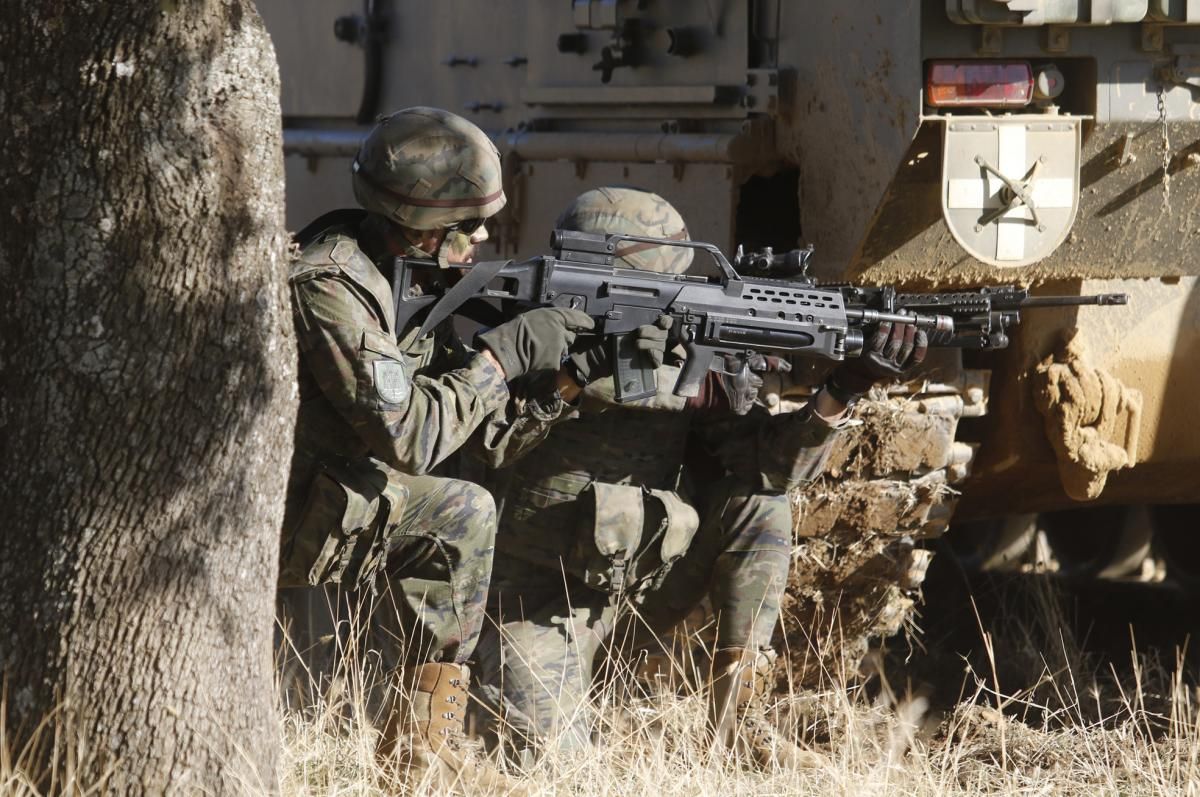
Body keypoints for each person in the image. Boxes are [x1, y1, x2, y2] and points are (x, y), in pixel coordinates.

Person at [468, 186, 928, 766]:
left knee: (758, 504)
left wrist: (844, 388)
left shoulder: (688, 362)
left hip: (639, 597)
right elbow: (482, 449)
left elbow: (772, 473)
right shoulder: (528, 340)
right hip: (534, 607)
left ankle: (734, 725)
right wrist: (569, 381)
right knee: (556, 766)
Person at [279, 106, 591, 788]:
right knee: (462, 512)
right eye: (468, 223)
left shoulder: (398, 278)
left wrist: (566, 382)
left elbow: (490, 442)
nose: (483, 235)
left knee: (467, 499)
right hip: (280, 516)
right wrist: (501, 358)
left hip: (324, 495)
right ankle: (420, 748)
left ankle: (420, 744)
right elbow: (412, 437)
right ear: (418, 225)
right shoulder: (330, 288)